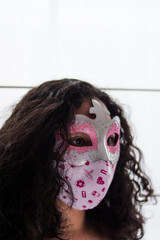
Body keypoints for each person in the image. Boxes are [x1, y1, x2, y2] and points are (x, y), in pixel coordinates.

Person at [0, 79, 156, 240]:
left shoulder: (116, 234)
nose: (103, 160)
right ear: (37, 145)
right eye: (78, 140)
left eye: (111, 140)